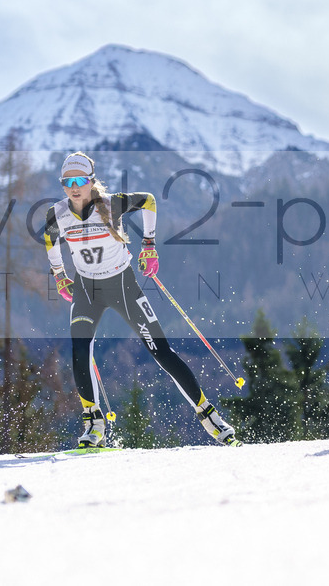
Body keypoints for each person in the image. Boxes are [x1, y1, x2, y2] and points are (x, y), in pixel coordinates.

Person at [43, 152, 240, 447]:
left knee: (160, 350)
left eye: (80, 180)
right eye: (67, 182)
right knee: (79, 349)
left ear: (91, 181)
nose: (74, 187)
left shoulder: (111, 205)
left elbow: (148, 200)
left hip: (122, 285)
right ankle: (93, 424)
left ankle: (209, 415)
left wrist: (149, 245)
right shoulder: (56, 213)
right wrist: (59, 274)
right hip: (86, 290)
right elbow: (50, 239)